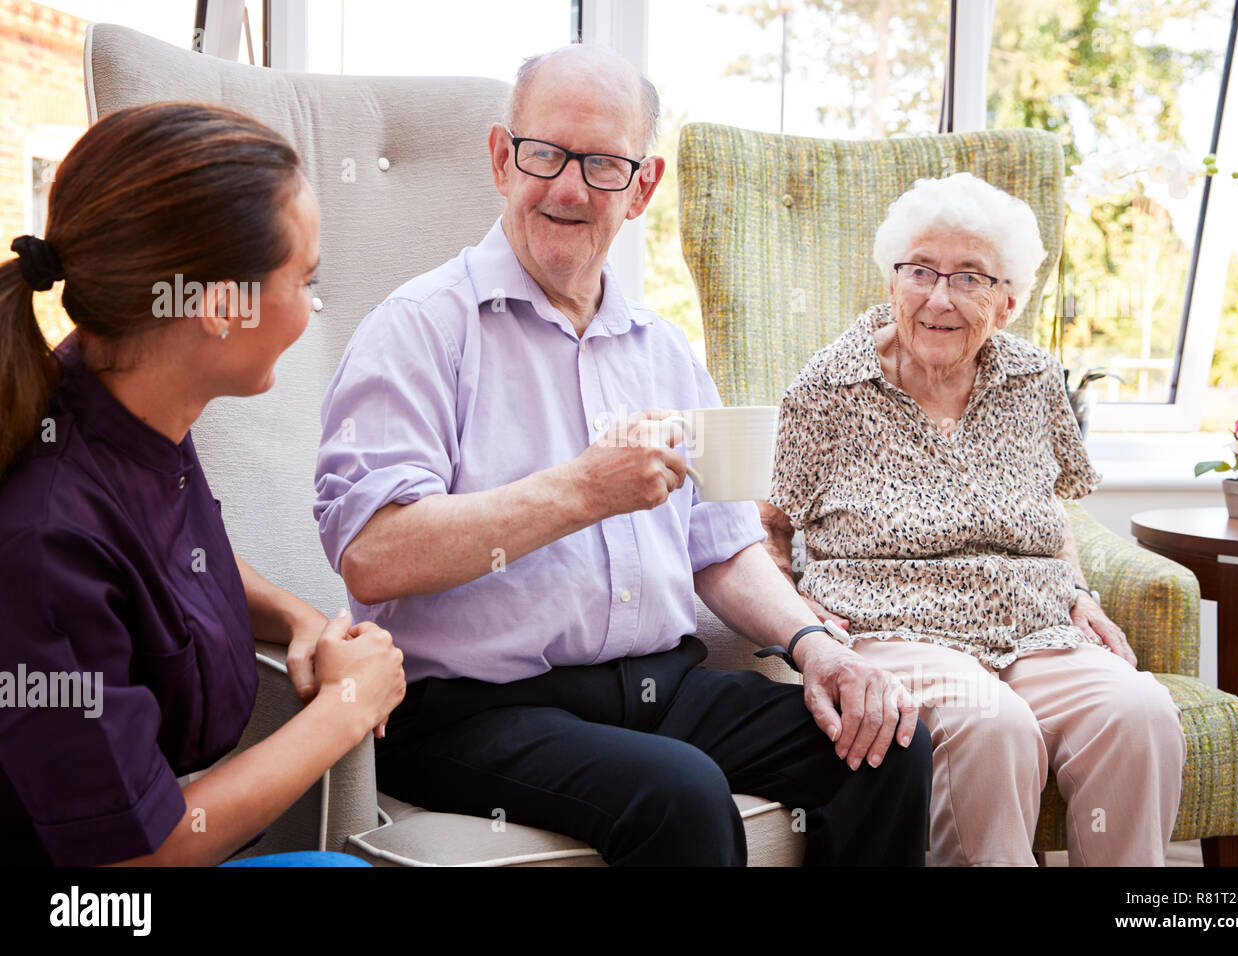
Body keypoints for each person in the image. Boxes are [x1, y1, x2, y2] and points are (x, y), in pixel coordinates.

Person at [313, 44, 932, 866]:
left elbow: (724, 546)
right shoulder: (420, 327)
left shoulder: (663, 351)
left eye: (603, 164)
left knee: (886, 740)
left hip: (655, 687)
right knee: (676, 791)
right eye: (546, 154)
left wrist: (818, 645)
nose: (569, 188)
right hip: (472, 711)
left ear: (643, 187)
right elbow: (372, 556)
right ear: (503, 159)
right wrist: (580, 492)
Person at [0, 102, 405, 867]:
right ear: (221, 307)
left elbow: (155, 559)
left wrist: (294, 615)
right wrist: (349, 707)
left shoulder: (118, 403)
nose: (314, 307)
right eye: (305, 279)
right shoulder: (44, 537)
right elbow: (132, 860)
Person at [761, 171, 1186, 866]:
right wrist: (802, 620)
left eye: (969, 278)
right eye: (921, 271)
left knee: (1139, 714)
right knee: (992, 724)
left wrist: (1076, 591)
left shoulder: (1034, 380)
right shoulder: (829, 386)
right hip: (894, 628)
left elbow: (1050, 511)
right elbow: (770, 522)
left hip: (1034, 626)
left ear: (1008, 301)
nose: (938, 297)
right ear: (892, 280)